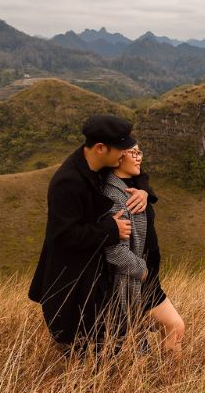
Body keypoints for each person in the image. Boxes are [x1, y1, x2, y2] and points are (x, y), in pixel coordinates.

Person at [28, 115, 151, 353]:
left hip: (97, 281)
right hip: (72, 284)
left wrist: (143, 191)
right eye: (120, 150)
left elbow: (137, 174)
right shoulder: (68, 182)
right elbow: (63, 236)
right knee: (83, 350)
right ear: (100, 148)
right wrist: (110, 230)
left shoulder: (97, 165)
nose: (123, 156)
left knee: (106, 347)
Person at [102, 142, 185, 359]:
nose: (139, 157)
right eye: (134, 153)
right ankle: (169, 381)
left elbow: (143, 180)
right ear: (119, 156)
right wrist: (142, 270)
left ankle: (166, 380)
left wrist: (144, 192)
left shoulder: (134, 185)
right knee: (173, 327)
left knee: (163, 333)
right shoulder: (114, 197)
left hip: (147, 280)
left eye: (140, 152)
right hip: (133, 280)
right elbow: (112, 249)